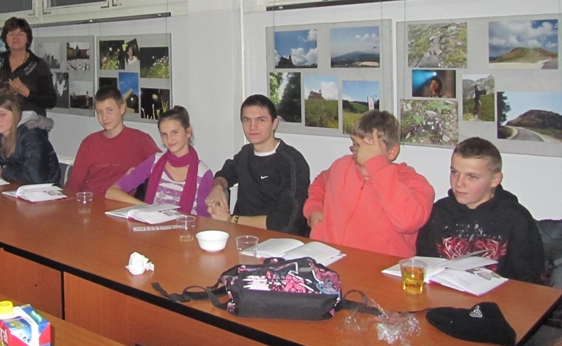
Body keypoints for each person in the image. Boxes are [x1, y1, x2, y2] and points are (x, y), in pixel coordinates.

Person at [303, 110, 434, 257]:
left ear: (392, 151)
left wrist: (377, 165)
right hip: (330, 259)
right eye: (357, 145)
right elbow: (319, 184)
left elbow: (408, 222)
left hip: (380, 267)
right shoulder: (342, 165)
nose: (361, 155)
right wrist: (314, 209)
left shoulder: (411, 181)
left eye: (370, 149)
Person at [416, 137, 544, 283]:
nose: (459, 183)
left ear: (495, 180)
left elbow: (530, 281)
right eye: (454, 172)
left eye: (472, 177)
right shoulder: (439, 213)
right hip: (445, 293)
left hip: (499, 295)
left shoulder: (516, 218)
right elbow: (425, 264)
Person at [205, 94, 310, 236]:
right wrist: (218, 187)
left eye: (261, 120)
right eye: (246, 120)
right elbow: (224, 175)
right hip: (242, 236)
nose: (252, 126)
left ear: (274, 123)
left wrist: (230, 219)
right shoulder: (245, 153)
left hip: (280, 240)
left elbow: (286, 224)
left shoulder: (292, 162)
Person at [106, 106, 213, 216]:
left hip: (184, 226)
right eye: (164, 134)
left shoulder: (203, 174)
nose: (169, 139)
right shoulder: (154, 161)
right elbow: (111, 192)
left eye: (174, 132)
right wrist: (147, 207)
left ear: (188, 132)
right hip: (152, 223)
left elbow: (204, 219)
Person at [64, 86, 159, 195]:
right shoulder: (89, 143)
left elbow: (163, 166)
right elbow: (74, 183)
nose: (104, 117)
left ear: (122, 108)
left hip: (122, 203)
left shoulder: (140, 140)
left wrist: (139, 174)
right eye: (99, 112)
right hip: (92, 201)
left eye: (109, 110)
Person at [0, 94, 61, 186]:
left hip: (43, 191)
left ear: (16, 115)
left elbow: (34, 176)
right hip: (14, 187)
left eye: (3, 114)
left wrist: (4, 171)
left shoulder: (32, 137)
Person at [0, 17, 56, 121]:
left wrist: (27, 93)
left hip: (30, 125)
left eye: (20, 34)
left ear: (28, 38)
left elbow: (51, 101)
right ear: (5, 38)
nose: (15, 38)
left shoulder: (38, 65)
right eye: (11, 34)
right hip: (2, 121)